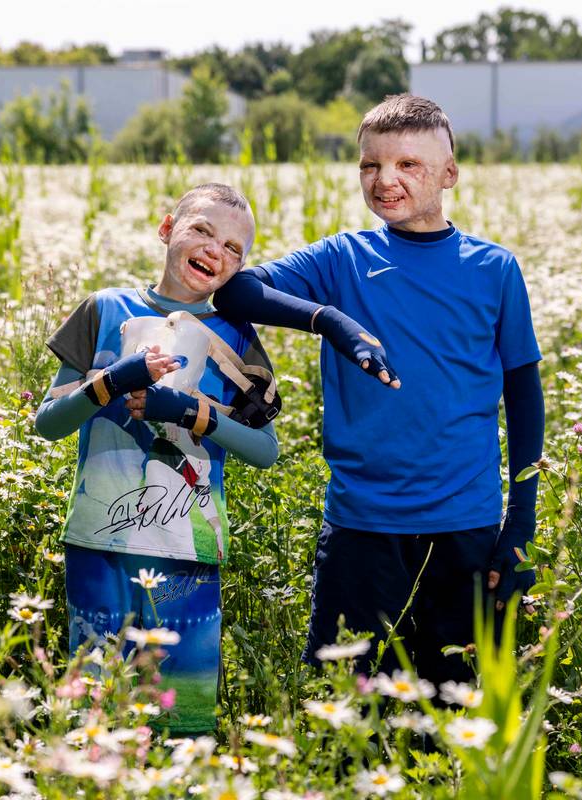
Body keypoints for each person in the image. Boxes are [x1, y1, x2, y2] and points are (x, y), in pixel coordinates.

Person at [212, 94, 546, 688]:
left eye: (408, 164)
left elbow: (524, 397)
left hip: (466, 527)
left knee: (456, 707)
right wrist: (329, 320)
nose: (386, 179)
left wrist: (520, 525)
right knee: (343, 706)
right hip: (362, 526)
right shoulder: (342, 258)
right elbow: (236, 292)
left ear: (450, 173)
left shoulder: (493, 268)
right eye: (371, 165)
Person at [33, 183, 281, 734]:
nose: (215, 250)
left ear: (239, 267)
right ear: (168, 229)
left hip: (189, 550)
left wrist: (194, 413)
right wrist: (111, 381)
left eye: (233, 248)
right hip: (98, 543)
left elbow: (267, 449)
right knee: (93, 712)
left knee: (183, 717)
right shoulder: (103, 310)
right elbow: (48, 423)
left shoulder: (235, 338)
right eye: (202, 231)